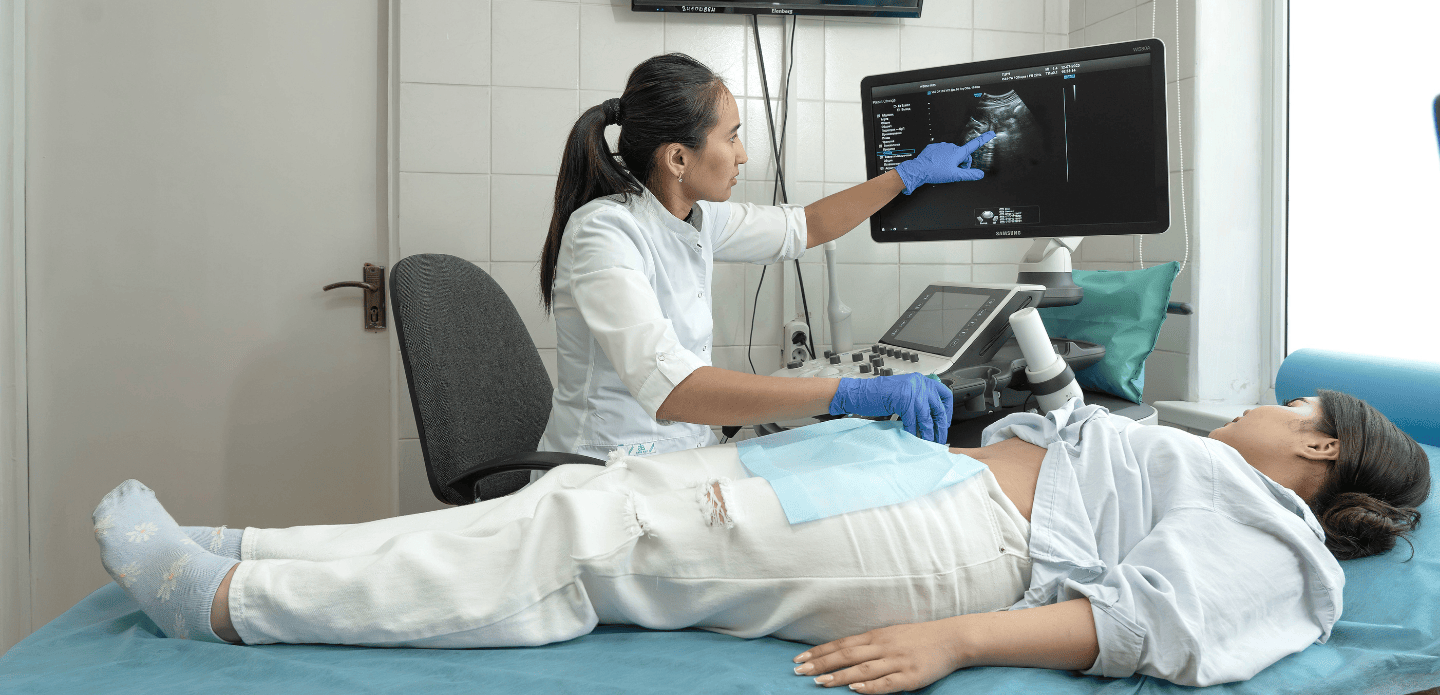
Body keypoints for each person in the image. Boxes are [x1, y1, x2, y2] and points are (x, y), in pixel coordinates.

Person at [92, 389, 1429, 690]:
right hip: (920, 475)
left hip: (960, 540)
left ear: (1318, 449)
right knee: (567, 500)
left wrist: (957, 638)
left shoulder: (1280, 544)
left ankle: (222, 605)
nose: (1266, 401)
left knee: (587, 538)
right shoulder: (1211, 460)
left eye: (1293, 402)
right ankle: (251, 545)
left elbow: (1149, 623)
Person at [534, 52, 992, 459]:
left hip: (679, 455)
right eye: (731, 138)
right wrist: (847, 394)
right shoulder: (604, 232)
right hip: (605, 472)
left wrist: (908, 175)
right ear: (678, 159)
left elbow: (807, 225)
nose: (744, 155)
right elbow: (674, 389)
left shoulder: (696, 218)